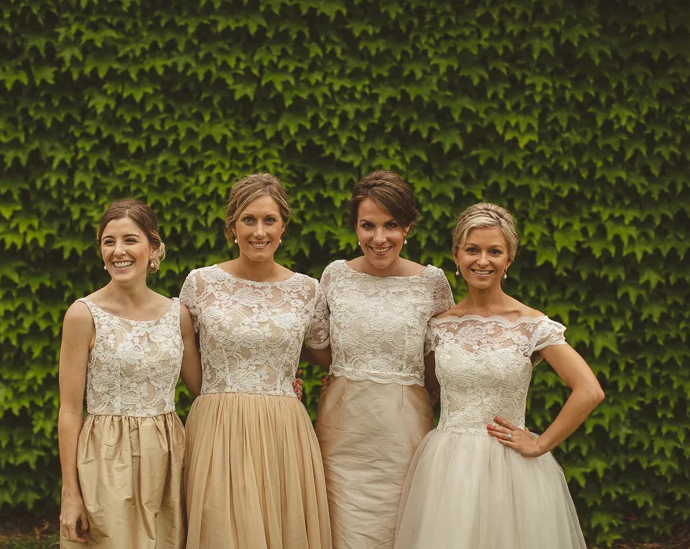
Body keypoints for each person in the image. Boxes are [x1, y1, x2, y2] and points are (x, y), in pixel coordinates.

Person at [394, 202, 605, 548]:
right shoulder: (439, 326)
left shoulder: (530, 324)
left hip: (511, 468)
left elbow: (589, 390)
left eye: (494, 251)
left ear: (509, 259)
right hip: (448, 467)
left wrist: (540, 443)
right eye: (472, 250)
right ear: (456, 256)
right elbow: (423, 385)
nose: (482, 261)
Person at [179, 173, 332, 549]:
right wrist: (214, 400)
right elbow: (182, 353)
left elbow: (324, 355)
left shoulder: (308, 290)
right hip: (217, 425)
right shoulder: (200, 284)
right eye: (248, 219)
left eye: (269, 220)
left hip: (284, 430)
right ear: (232, 226)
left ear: (283, 227)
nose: (259, 231)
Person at [313, 170, 454, 548]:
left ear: (408, 226)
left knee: (403, 529)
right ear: (355, 228)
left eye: (391, 225)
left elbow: (445, 358)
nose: (379, 238)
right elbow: (313, 341)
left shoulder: (432, 282)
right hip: (342, 431)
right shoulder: (335, 276)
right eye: (368, 226)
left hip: (404, 432)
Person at [58, 199, 201, 549]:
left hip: (168, 457)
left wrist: (275, 381)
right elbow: (70, 410)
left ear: (153, 248)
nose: (118, 251)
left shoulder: (178, 315)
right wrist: (70, 494)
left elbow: (204, 389)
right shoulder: (82, 315)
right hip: (105, 459)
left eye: (130, 240)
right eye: (109, 242)